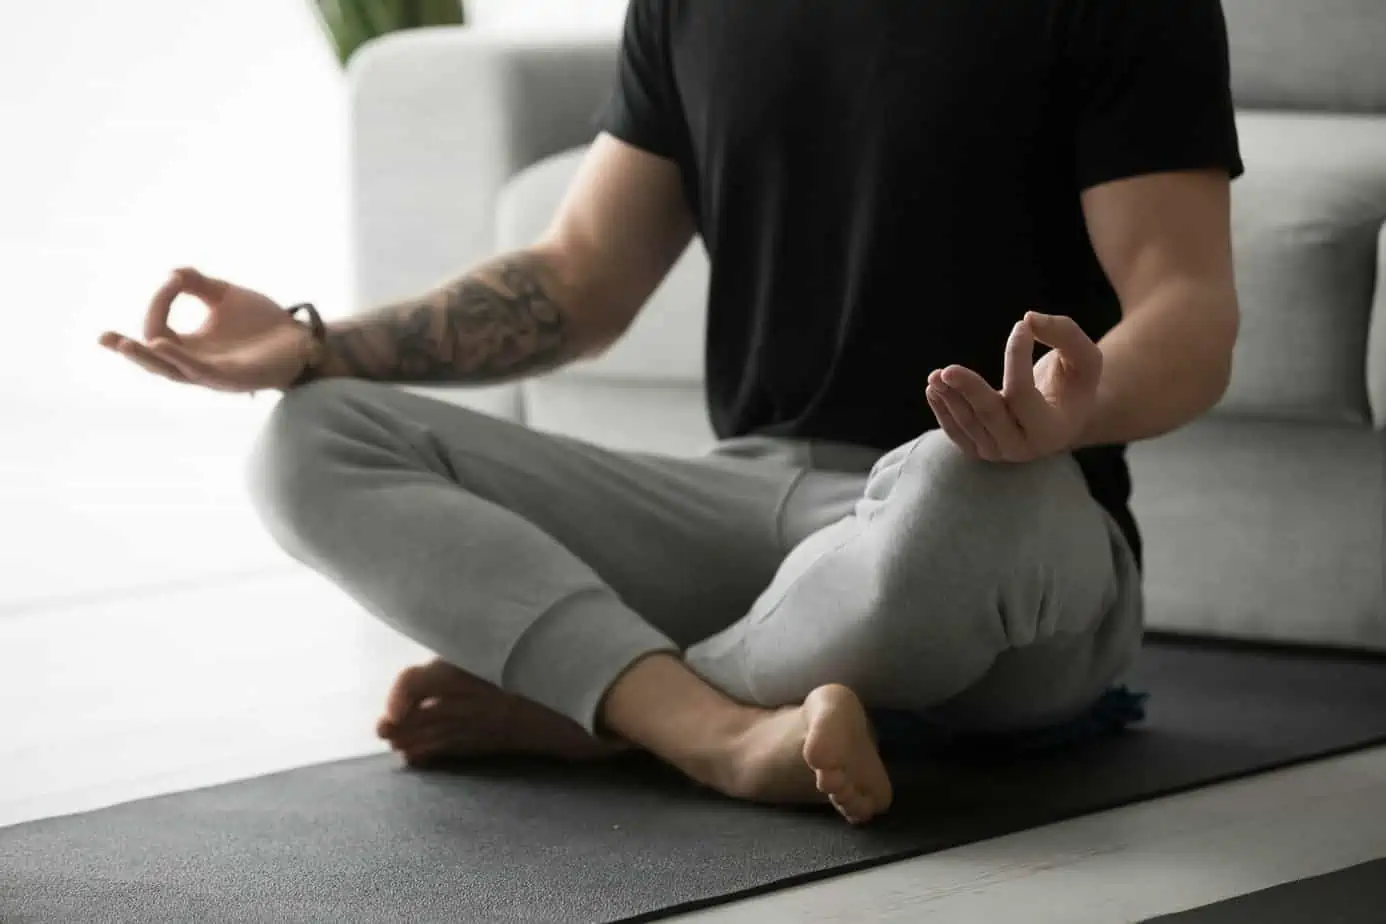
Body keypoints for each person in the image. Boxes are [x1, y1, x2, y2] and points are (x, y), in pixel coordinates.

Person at [99, 0, 1243, 825]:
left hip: (999, 523)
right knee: (309, 433)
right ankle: (719, 732)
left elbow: (1186, 311)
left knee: (952, 489)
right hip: (746, 514)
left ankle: (602, 704)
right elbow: (581, 276)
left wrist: (1063, 413)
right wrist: (314, 344)